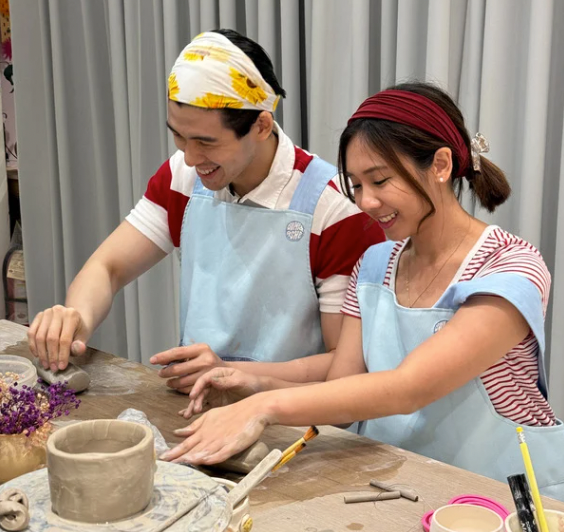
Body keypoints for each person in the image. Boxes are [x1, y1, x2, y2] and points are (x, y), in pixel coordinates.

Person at [163, 82, 564, 500]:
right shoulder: (375, 265)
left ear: (441, 164)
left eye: (380, 180)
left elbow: (410, 388)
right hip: (397, 486)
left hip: (501, 495)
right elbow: (342, 388)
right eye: (355, 184)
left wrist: (262, 406)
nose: (365, 202)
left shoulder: (510, 268)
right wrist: (248, 381)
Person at [26, 29, 384, 393]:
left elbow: (346, 363)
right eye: (179, 137)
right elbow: (108, 267)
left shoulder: (333, 209)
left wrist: (235, 375)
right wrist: (76, 320)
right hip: (197, 403)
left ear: (261, 125)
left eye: (206, 142)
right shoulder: (182, 176)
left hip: (297, 423)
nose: (191, 158)